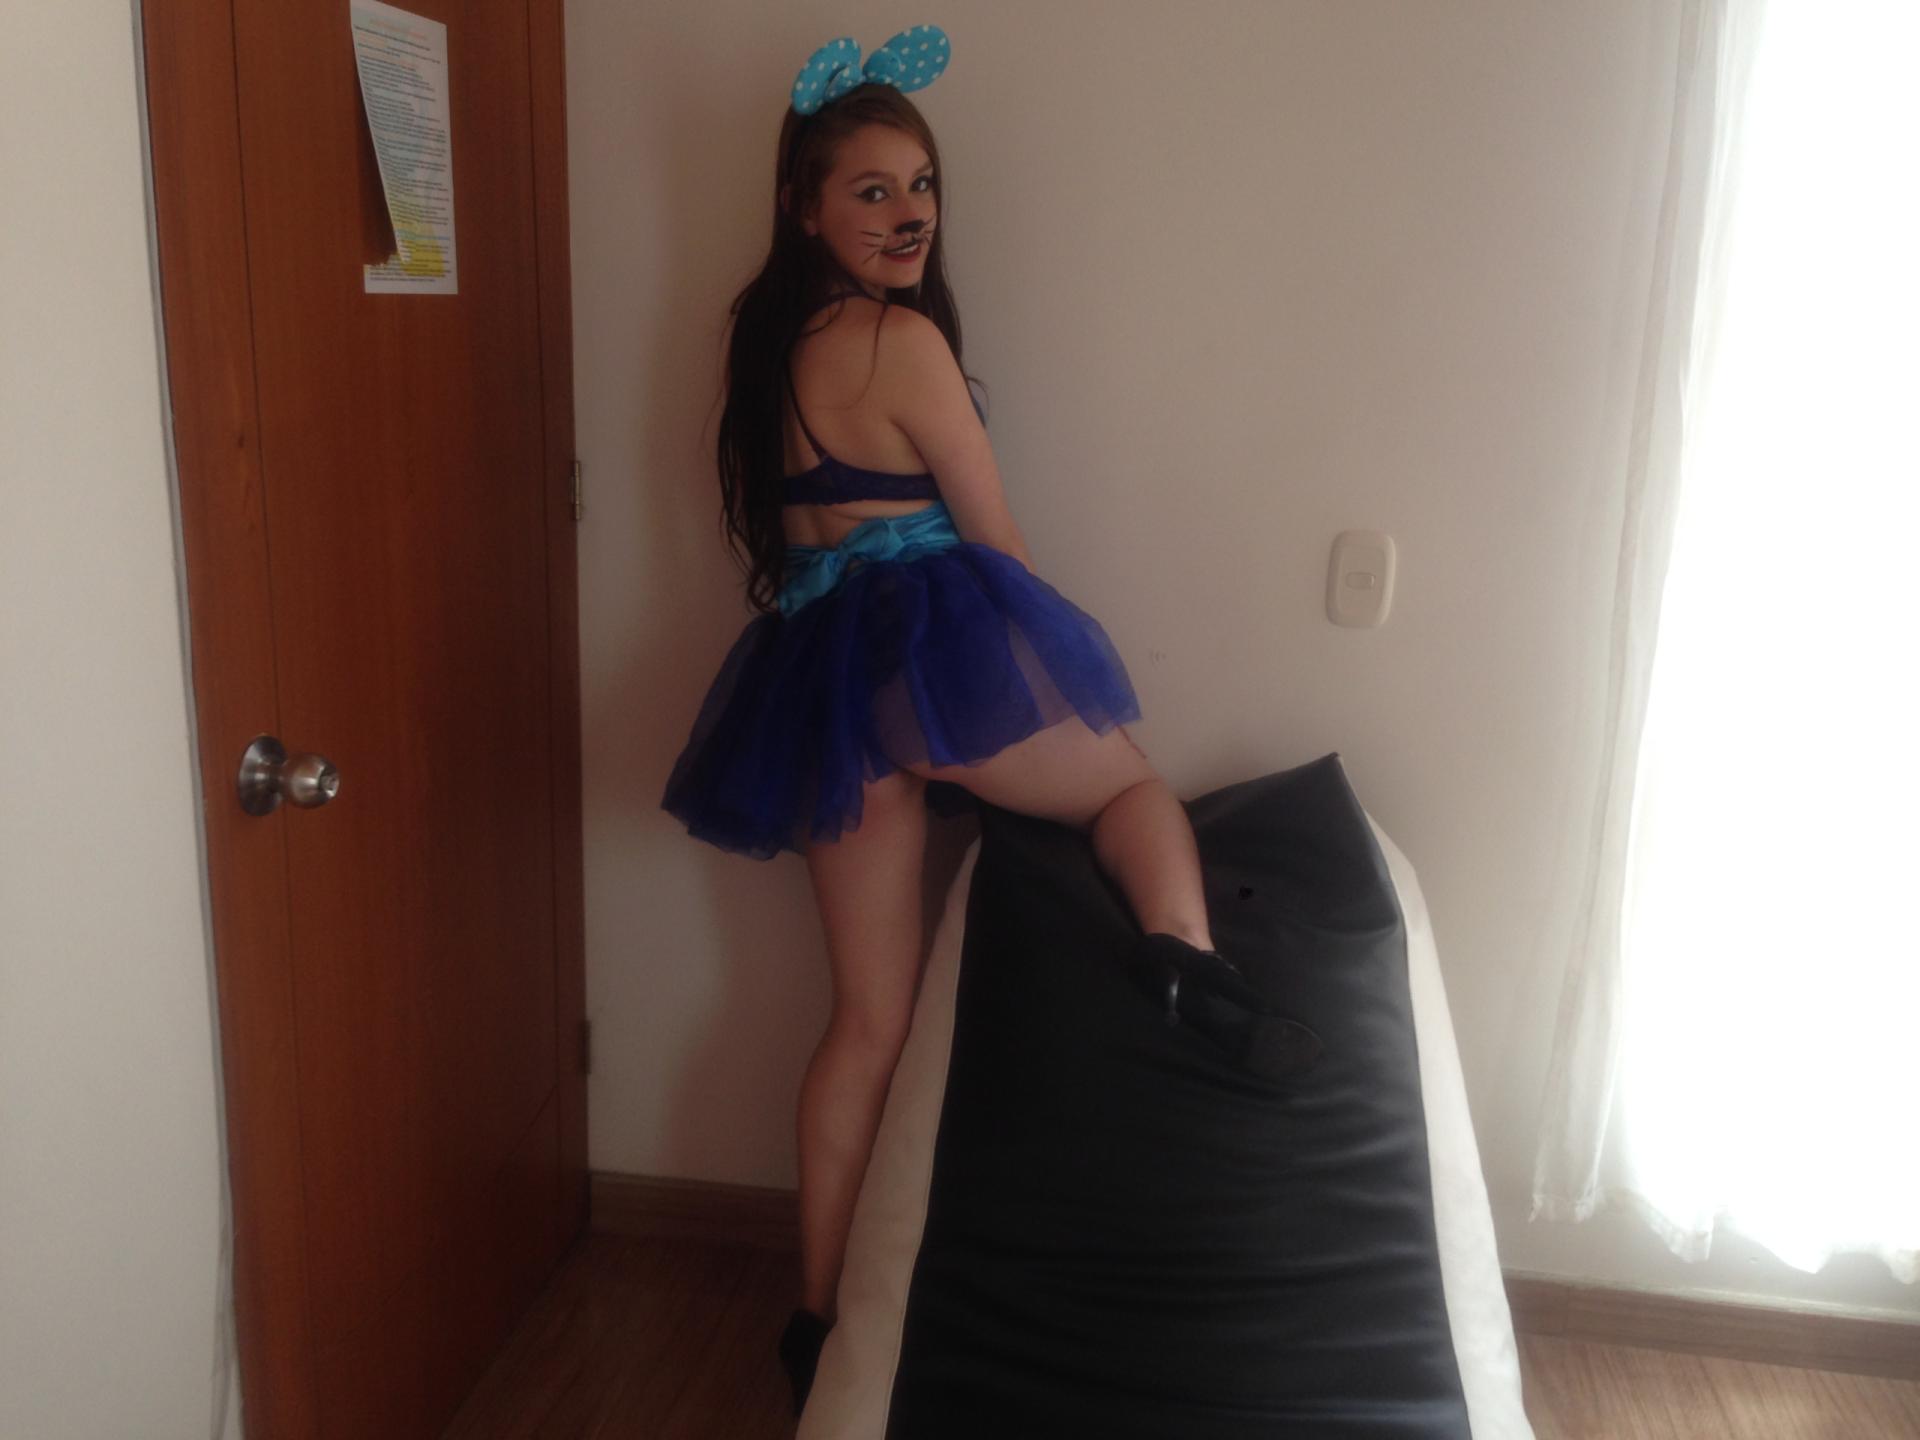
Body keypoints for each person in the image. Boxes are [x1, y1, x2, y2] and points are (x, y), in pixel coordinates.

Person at [658, 25, 1320, 1418]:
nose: (908, 215)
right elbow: (997, 543)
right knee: (1131, 790)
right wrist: (1047, 665)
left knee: (864, 1021)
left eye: (921, 187)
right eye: (872, 190)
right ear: (804, 205)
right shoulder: (902, 343)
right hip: (919, 651)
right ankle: (1191, 966)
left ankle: (815, 1321)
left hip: (817, 680)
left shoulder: (768, 346)